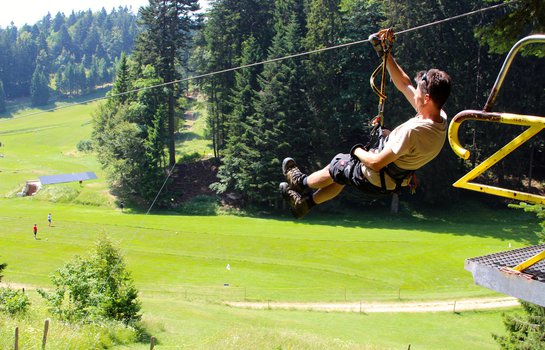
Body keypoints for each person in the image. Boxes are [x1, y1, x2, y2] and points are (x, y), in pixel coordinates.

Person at [280, 33, 452, 219]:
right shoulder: (439, 118)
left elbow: (376, 163)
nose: (415, 95)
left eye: (418, 93)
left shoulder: (414, 131)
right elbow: (404, 84)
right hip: (392, 181)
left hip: (375, 177)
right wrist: (384, 55)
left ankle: (300, 182)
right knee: (342, 176)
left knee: (338, 163)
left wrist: (358, 151)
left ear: (427, 98)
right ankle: (304, 205)